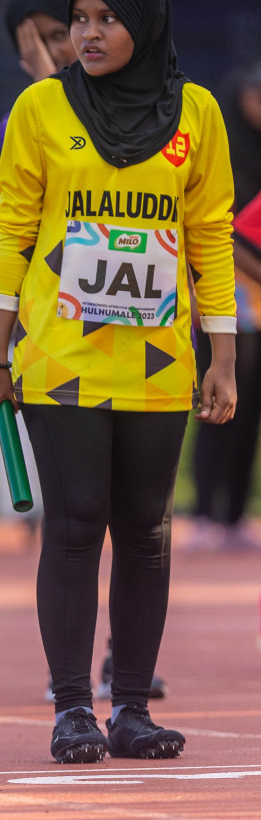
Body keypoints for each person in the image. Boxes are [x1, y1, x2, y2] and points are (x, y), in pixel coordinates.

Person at [0, 0, 236, 765]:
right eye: (78, 20)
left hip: (160, 360)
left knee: (148, 530)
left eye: (105, 19)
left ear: (146, 23)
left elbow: (212, 237)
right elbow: (13, 228)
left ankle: (131, 708)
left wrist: (221, 356)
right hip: (61, 356)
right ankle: (70, 710)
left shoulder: (198, 113)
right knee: (77, 523)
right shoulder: (40, 109)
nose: (86, 34)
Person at [189, 60, 261, 551]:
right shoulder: (223, 150)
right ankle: (205, 512)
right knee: (218, 394)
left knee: (250, 404)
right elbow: (215, 228)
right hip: (226, 290)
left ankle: (235, 513)